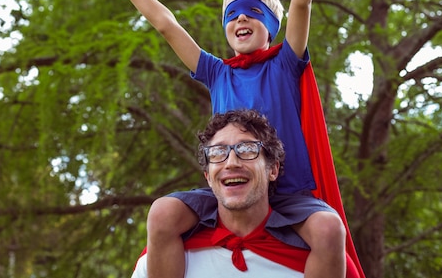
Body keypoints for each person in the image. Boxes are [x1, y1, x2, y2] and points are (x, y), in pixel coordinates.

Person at [100, 0, 363, 278]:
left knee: (328, 229)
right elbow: (167, 25)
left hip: (287, 193)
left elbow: (301, 3)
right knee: (163, 213)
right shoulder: (216, 71)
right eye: (232, 15)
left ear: (271, 27)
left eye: (252, 12)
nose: (241, 19)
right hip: (230, 185)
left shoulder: (286, 62)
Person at [131, 109, 340, 278]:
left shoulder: (319, 260)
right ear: (207, 177)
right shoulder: (163, 258)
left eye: (248, 149)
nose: (231, 162)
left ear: (273, 170)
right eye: (218, 153)